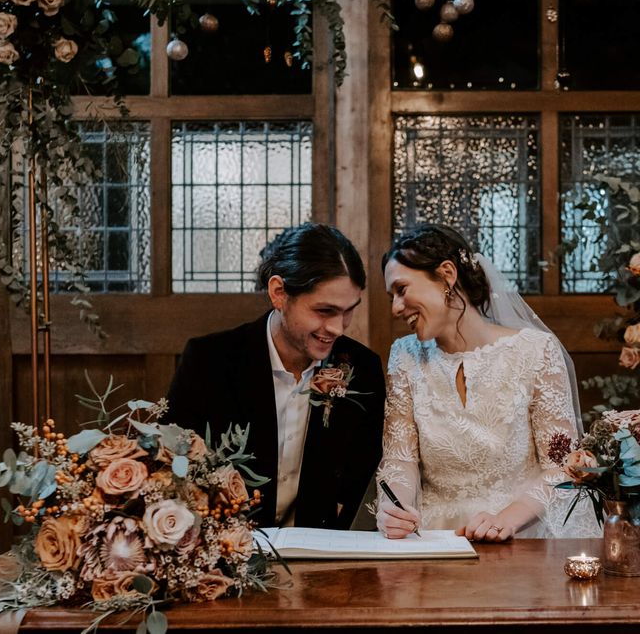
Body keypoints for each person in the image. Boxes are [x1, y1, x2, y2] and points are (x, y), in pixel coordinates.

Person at [376, 224, 600, 541]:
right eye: (391, 297)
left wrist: (505, 521)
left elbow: (562, 467)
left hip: (524, 533)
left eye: (401, 290)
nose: (396, 308)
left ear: (447, 275)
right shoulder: (404, 356)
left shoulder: (535, 351)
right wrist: (393, 506)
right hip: (437, 539)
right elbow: (400, 458)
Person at [166, 223, 386, 529]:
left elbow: (362, 487)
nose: (338, 327)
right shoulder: (210, 362)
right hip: (230, 552)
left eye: (348, 311)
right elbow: (173, 470)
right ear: (279, 293)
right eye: (324, 311)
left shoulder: (362, 370)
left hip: (325, 555)